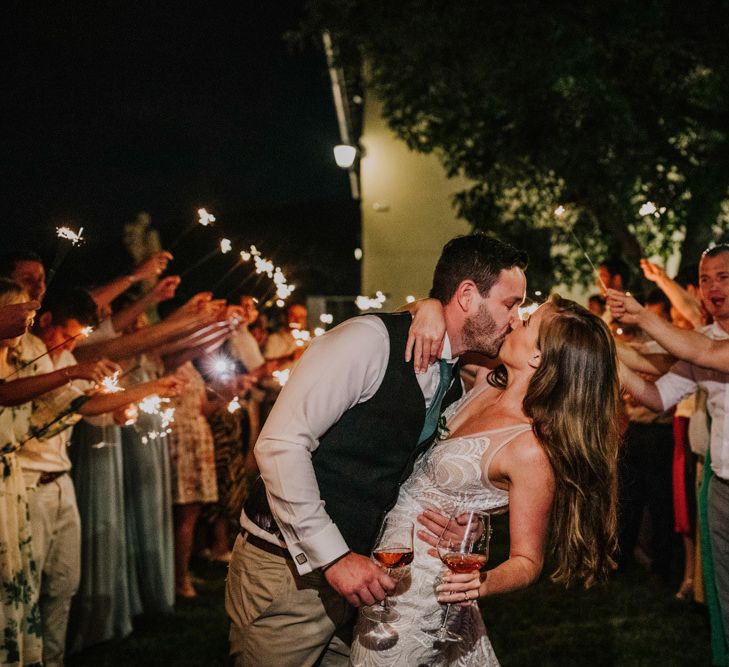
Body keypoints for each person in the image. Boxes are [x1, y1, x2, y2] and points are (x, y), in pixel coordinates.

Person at [226, 234, 529, 666]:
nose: (516, 320)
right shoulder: (367, 342)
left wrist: (463, 521)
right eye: (510, 304)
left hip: (365, 580)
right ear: (466, 295)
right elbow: (280, 444)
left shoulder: (454, 371)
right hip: (287, 574)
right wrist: (333, 557)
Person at [350, 295, 620, 665]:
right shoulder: (487, 380)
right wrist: (428, 305)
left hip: (426, 587)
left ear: (538, 357)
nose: (513, 322)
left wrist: (482, 582)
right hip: (380, 560)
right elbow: (433, 332)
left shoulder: (530, 448)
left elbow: (527, 560)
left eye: (526, 322)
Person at [607, 244, 729, 658]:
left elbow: (702, 353)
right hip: (722, 488)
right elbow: (657, 396)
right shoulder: (705, 338)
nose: (713, 287)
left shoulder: (705, 345)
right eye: (707, 278)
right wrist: (604, 351)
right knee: (725, 598)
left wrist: (641, 314)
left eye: (724, 277)